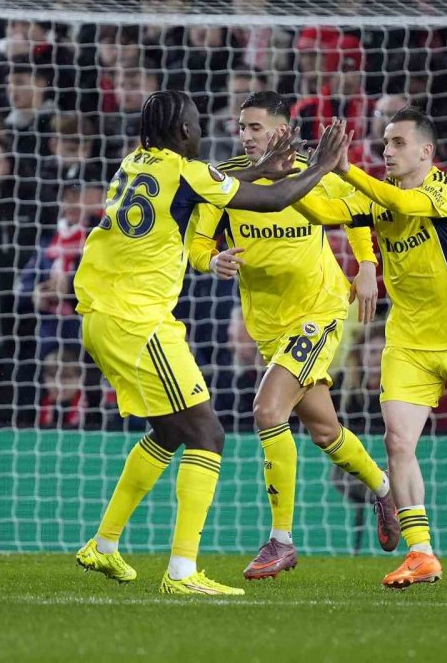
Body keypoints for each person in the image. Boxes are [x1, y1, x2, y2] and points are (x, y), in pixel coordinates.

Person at [73, 90, 349, 596]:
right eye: (198, 125)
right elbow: (271, 199)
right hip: (138, 319)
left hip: (101, 314)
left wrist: (263, 165)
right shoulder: (184, 168)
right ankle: (182, 572)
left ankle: (104, 545)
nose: (205, 134)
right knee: (208, 433)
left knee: (170, 431)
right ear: (182, 132)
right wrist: (323, 166)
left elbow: (217, 185)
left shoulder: (137, 163)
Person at [292, 106, 447, 588]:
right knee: (397, 441)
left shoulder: (443, 190)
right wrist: (302, 176)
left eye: (398, 143)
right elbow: (325, 211)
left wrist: (346, 171)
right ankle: (421, 552)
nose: (387, 151)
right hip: (408, 338)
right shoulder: (377, 198)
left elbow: (405, 207)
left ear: (426, 152)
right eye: (385, 143)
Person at [190, 91, 399, 580]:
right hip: (267, 325)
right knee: (325, 430)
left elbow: (356, 211)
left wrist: (367, 265)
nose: (245, 135)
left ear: (282, 130)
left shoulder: (311, 169)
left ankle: (281, 540)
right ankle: (383, 489)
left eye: (256, 127)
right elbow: (198, 241)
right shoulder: (227, 178)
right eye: (242, 127)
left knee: (266, 409)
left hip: (321, 310)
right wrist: (210, 259)